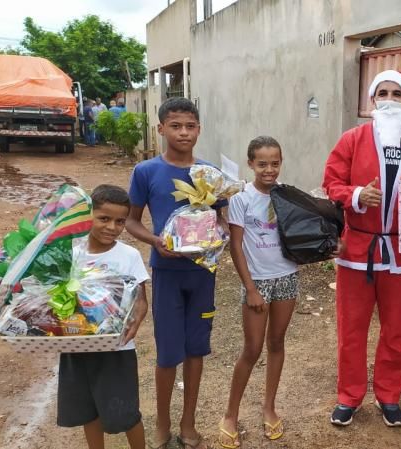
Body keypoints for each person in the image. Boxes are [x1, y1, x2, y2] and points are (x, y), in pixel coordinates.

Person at [323, 69, 401, 428]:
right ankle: (349, 396)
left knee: (395, 330)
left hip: (399, 254)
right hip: (357, 251)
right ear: (372, 100)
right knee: (351, 329)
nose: (389, 99)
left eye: (396, 94)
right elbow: (331, 182)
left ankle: (389, 395)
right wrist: (357, 195)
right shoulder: (352, 139)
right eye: (382, 93)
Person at [126, 97, 228, 449]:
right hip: (167, 273)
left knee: (196, 349)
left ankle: (188, 422)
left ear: (199, 129)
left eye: (190, 126)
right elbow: (129, 219)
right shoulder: (147, 172)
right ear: (161, 129)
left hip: (202, 274)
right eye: (175, 125)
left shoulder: (210, 174)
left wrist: (220, 237)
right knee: (168, 352)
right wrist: (155, 240)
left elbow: (224, 221)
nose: (183, 132)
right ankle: (163, 423)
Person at [218, 136, 306, 448]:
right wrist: (251, 288)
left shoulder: (287, 195)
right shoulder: (241, 199)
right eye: (262, 163)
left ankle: (269, 408)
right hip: (259, 282)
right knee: (252, 349)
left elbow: (302, 232)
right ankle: (230, 414)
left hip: (287, 277)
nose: (269, 169)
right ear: (251, 163)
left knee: (277, 343)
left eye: (275, 163)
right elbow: (236, 246)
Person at [57, 184, 150, 449]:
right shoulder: (71, 255)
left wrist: (136, 320)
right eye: (104, 218)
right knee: (89, 410)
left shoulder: (128, 256)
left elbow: (141, 299)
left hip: (117, 349)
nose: (112, 227)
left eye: (120, 221)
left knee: (127, 413)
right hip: (77, 346)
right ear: (89, 215)